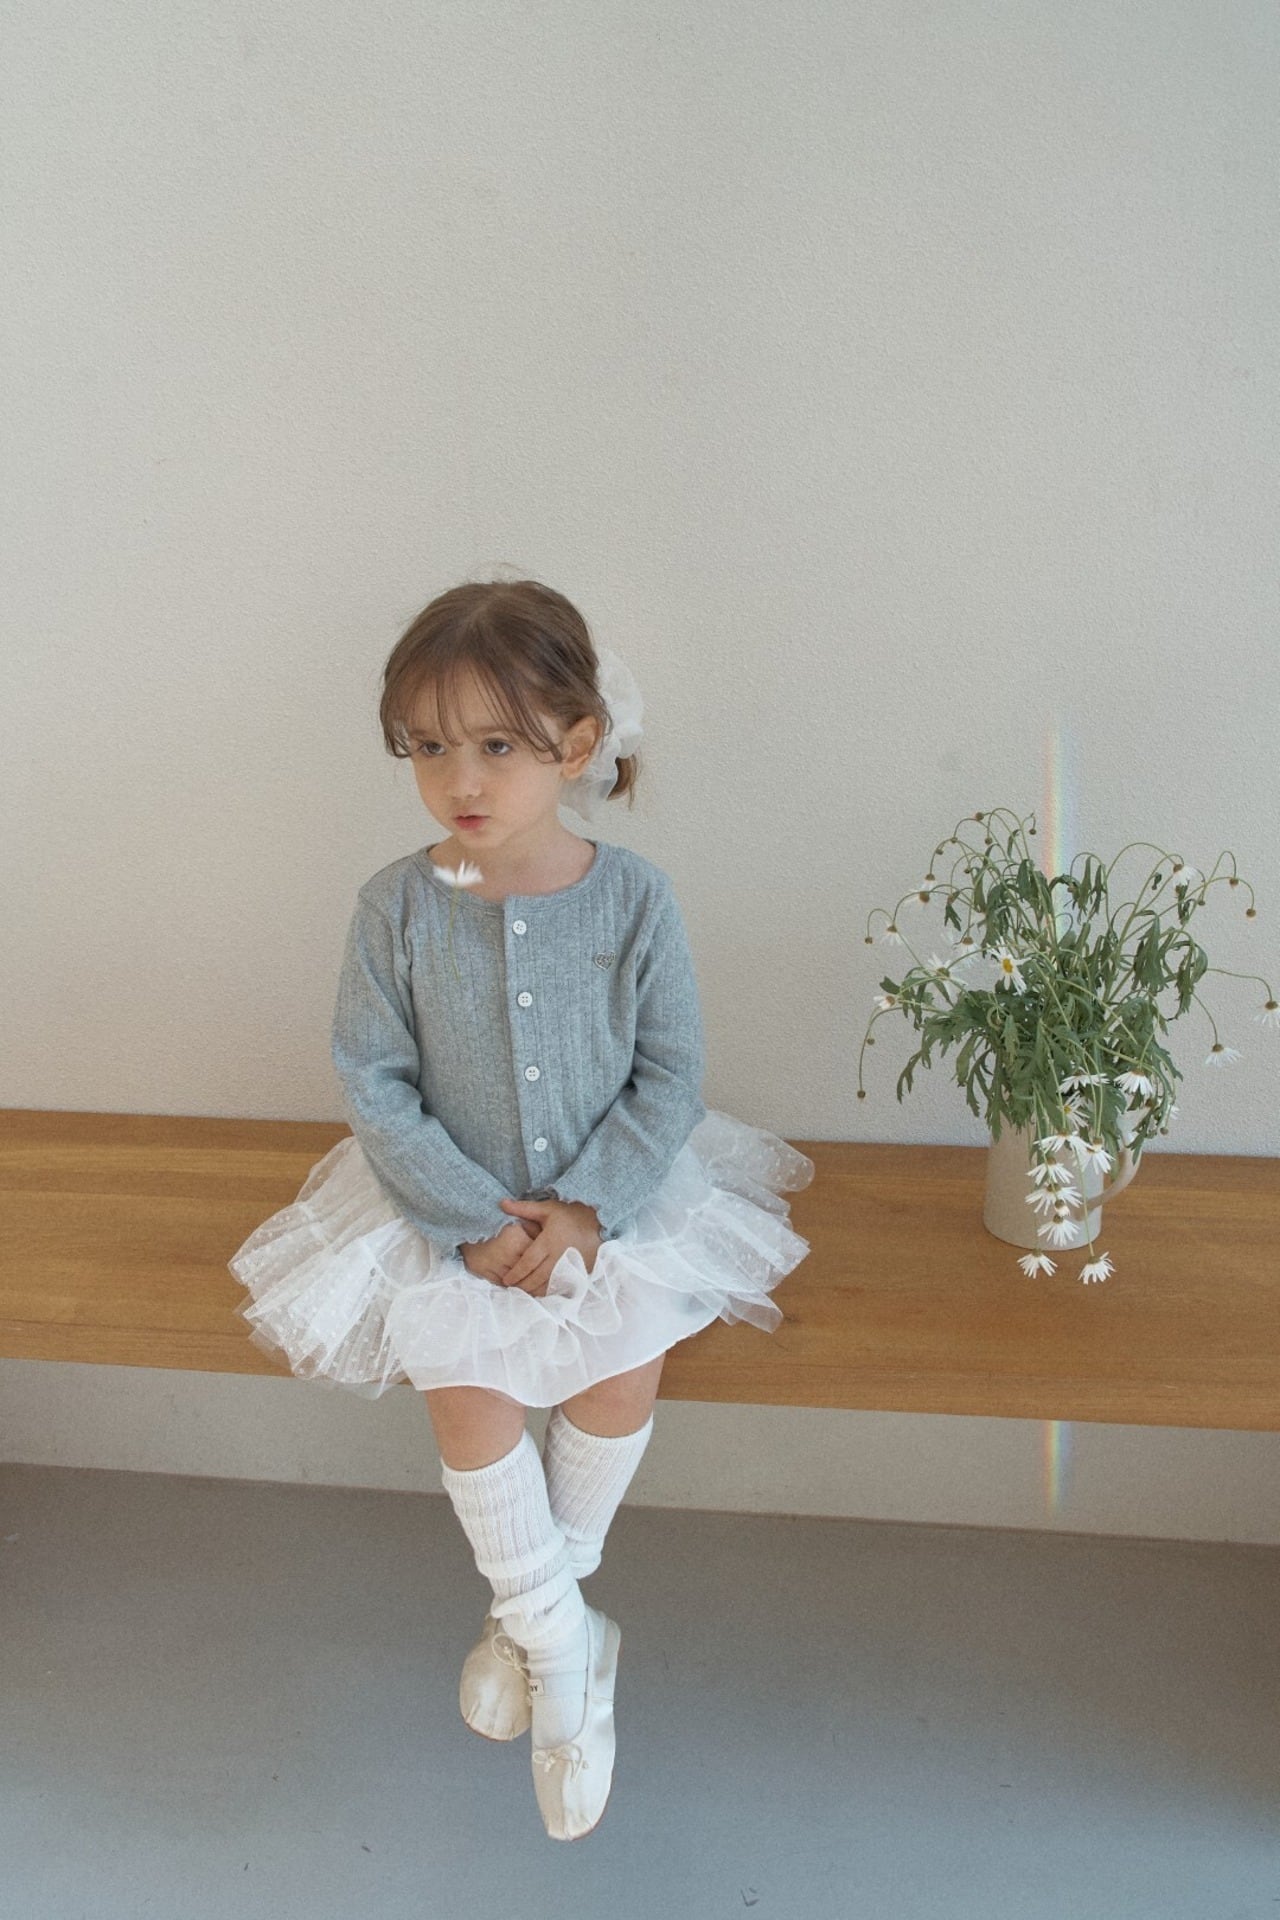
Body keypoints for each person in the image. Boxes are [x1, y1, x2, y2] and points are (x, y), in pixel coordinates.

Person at [227, 578, 815, 1842]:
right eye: (429, 746)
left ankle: (529, 1619)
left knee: (620, 1370)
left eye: (497, 744)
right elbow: (373, 1081)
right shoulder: (392, 907)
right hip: (441, 1207)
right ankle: (564, 1663)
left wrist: (589, 1211)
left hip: (621, 1203)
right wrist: (468, 1219)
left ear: (576, 744)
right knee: (468, 1396)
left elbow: (669, 1075)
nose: (461, 779)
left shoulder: (635, 899)